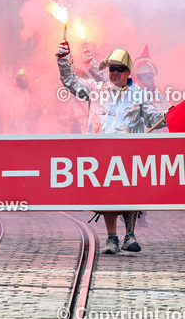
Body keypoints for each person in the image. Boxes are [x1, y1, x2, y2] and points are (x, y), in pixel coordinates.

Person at [57, 41, 165, 254]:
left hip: (130, 154)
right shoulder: (95, 90)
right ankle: (111, 238)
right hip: (101, 153)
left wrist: (171, 115)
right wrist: (63, 59)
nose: (114, 73)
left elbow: (154, 117)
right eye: (111, 69)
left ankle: (130, 235)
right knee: (107, 195)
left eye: (119, 69)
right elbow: (70, 81)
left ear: (128, 72)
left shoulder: (140, 95)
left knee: (131, 193)